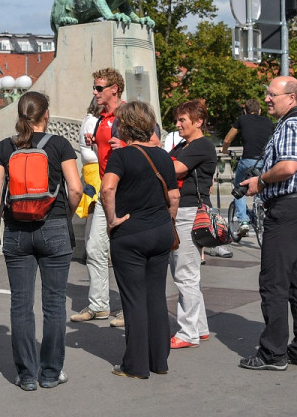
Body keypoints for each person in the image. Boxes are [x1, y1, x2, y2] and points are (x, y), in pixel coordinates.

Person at [0, 91, 82, 391]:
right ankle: (51, 372)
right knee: (54, 304)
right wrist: (64, 214)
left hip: (17, 231)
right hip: (53, 226)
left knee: (21, 304)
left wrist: (8, 214)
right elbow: (76, 189)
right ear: (46, 115)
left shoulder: (5, 147)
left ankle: (27, 375)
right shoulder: (59, 145)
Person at [238, 76, 297, 371]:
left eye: (271, 94)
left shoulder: (290, 125)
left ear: (291, 96)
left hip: (288, 210)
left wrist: (261, 180)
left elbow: (288, 167)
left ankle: (273, 353)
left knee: (274, 283)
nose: (266, 99)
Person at [102, 102, 180, 378]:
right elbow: (174, 196)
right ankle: (159, 361)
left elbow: (107, 188)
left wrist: (112, 220)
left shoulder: (121, 156)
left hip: (131, 232)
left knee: (134, 300)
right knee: (156, 297)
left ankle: (135, 365)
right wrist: (166, 220)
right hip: (160, 230)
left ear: (125, 125)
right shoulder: (162, 156)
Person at [71, 68, 126, 326]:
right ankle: (99, 305)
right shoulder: (102, 118)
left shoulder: (128, 115)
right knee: (94, 248)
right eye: (94, 88)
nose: (94, 92)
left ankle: (129, 309)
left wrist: (125, 146)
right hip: (106, 191)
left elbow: (153, 143)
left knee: (125, 252)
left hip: (126, 192)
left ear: (114, 88)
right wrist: (95, 143)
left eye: (99, 88)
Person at [167, 100, 217, 349]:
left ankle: (187, 333)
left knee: (184, 274)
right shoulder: (183, 144)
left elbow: (174, 168)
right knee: (190, 274)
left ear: (198, 121)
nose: (177, 125)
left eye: (182, 120)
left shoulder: (201, 145)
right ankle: (200, 327)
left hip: (189, 211)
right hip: (185, 210)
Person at [222, 99, 274, 236]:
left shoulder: (242, 119)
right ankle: (261, 206)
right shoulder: (269, 122)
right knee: (262, 185)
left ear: (245, 111)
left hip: (248, 161)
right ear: (260, 111)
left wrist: (224, 151)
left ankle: (244, 221)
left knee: (239, 188)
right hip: (265, 162)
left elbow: (227, 139)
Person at [75, 97, 103, 220]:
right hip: (95, 167)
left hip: (92, 167)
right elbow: (98, 146)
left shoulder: (89, 119)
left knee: (94, 205)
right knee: (96, 205)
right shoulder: (93, 121)